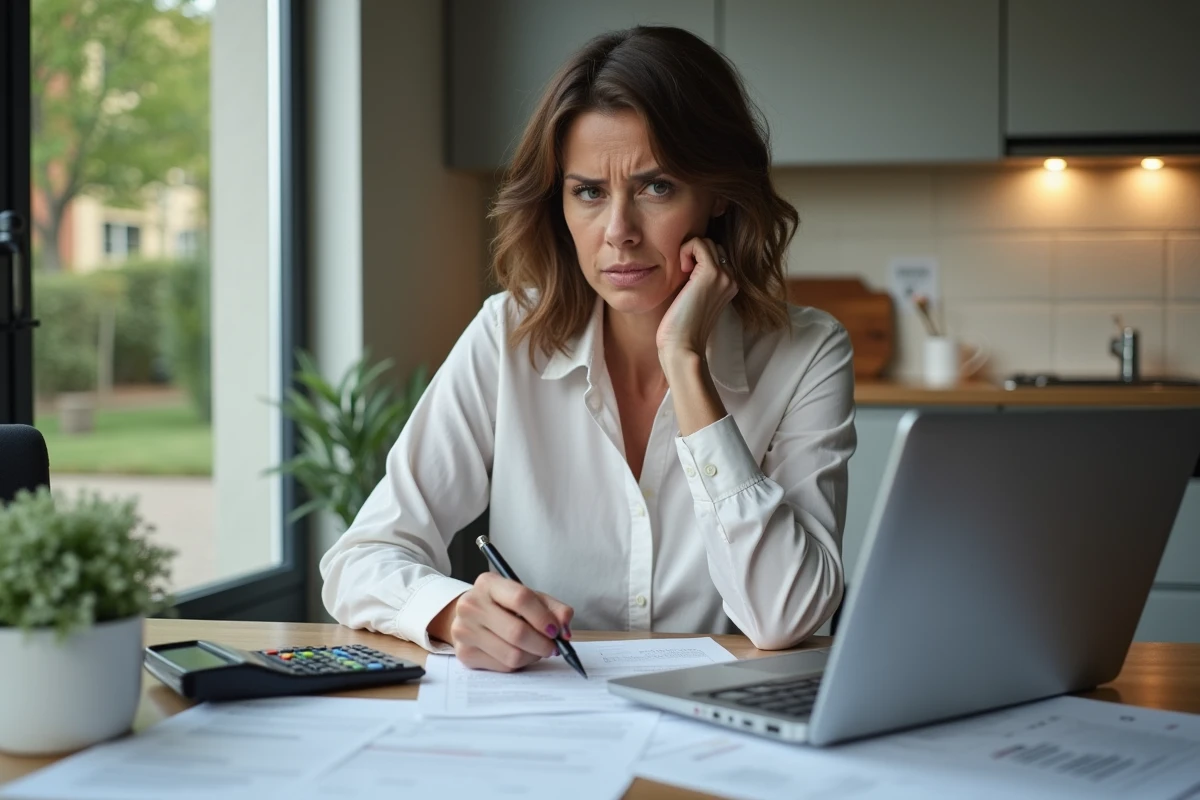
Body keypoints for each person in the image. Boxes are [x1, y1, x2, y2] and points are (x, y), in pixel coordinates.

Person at [320, 25, 856, 672]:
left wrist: (687, 364)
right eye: (589, 193)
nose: (619, 232)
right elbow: (360, 559)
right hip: (545, 733)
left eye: (657, 187)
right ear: (560, 204)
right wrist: (453, 610)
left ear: (716, 195)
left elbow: (787, 616)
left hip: (719, 732)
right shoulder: (507, 336)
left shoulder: (808, 354)